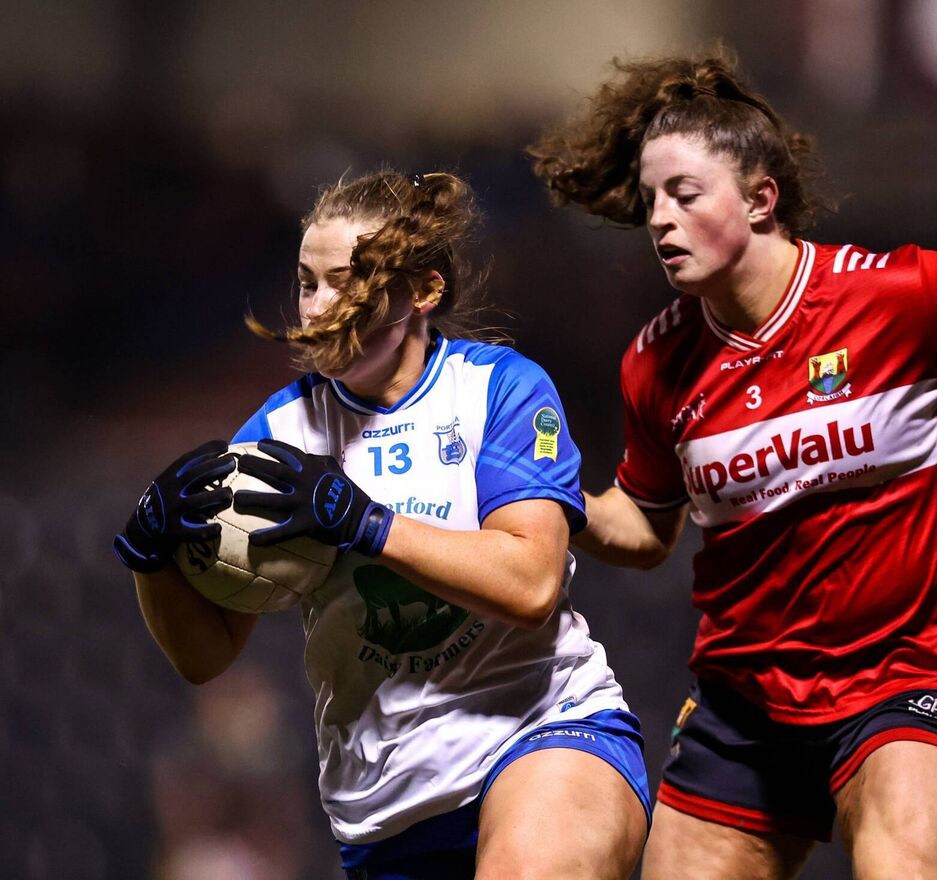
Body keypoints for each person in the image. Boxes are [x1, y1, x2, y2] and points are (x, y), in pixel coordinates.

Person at [527, 49, 937, 880]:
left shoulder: (903, 294)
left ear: (762, 198)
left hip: (904, 675)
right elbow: (644, 525)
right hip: (745, 706)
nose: (660, 218)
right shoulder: (653, 364)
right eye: (652, 199)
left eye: (685, 195)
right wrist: (543, 502)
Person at [113, 170, 650, 880]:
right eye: (309, 282)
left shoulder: (499, 390)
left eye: (351, 280)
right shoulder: (279, 434)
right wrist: (151, 555)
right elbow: (205, 656)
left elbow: (531, 585)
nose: (321, 304)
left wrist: (361, 519)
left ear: (425, 290)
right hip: (387, 805)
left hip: (544, 731)